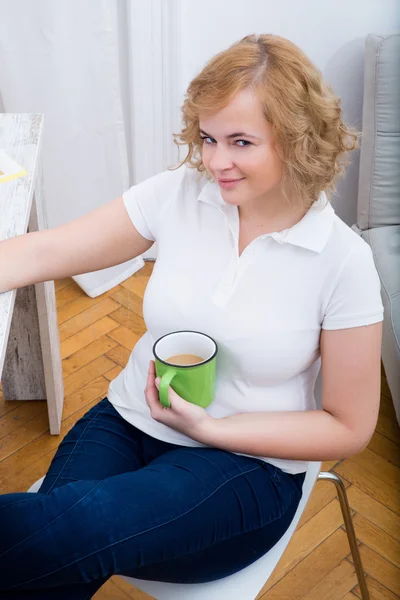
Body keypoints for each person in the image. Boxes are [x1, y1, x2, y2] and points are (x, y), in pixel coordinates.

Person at [0, 33, 383, 599]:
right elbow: (47, 251)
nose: (214, 160)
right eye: (207, 137)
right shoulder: (182, 194)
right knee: (51, 556)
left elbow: (349, 426)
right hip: (132, 416)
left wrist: (215, 429)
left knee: (76, 529)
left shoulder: (343, 262)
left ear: (298, 140)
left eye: (240, 142)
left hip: (247, 465)